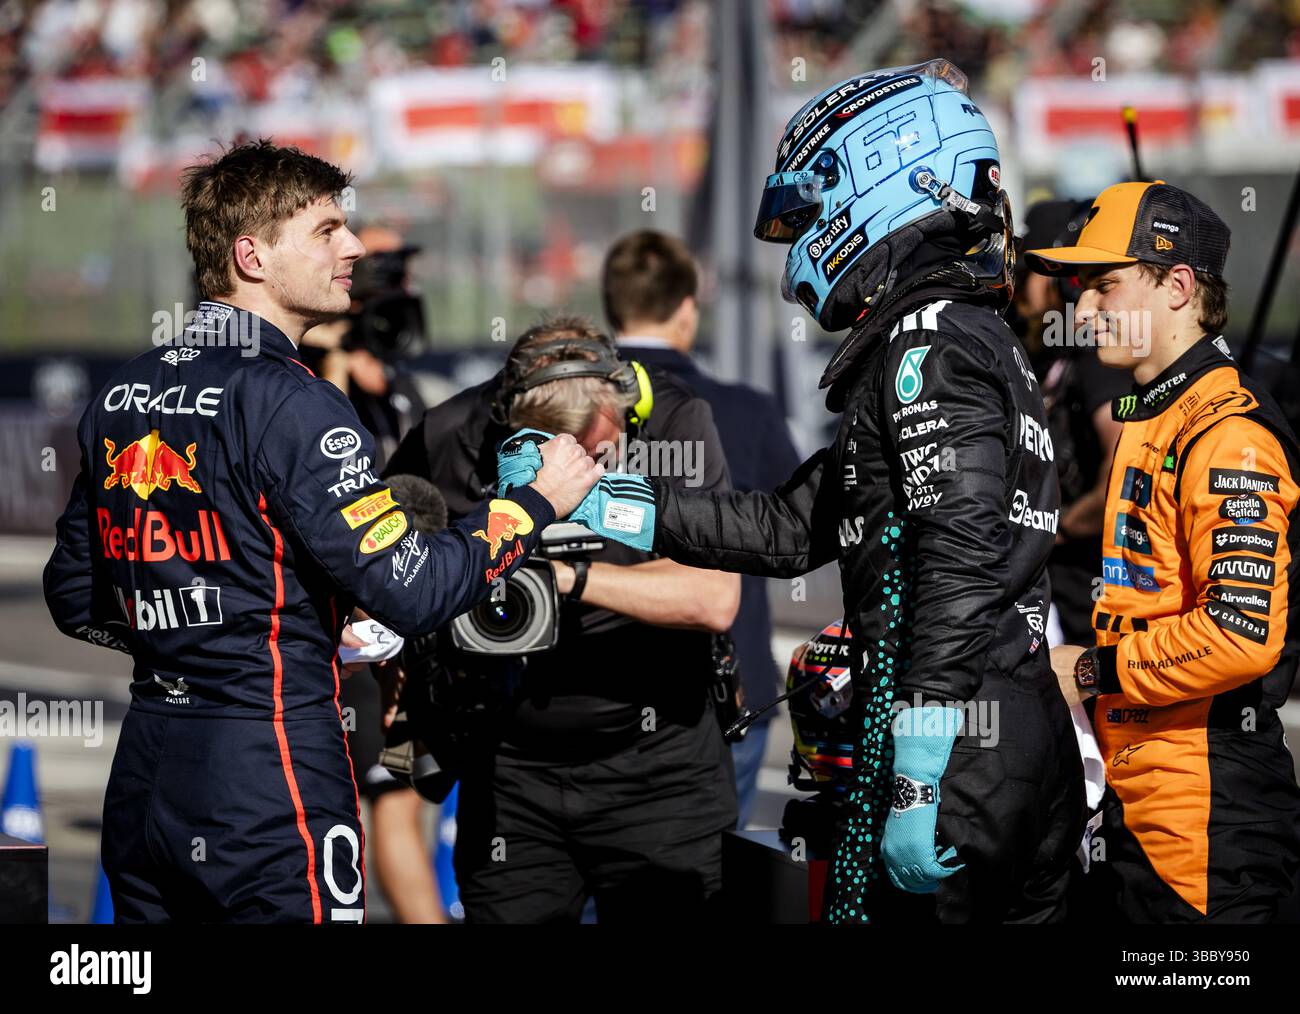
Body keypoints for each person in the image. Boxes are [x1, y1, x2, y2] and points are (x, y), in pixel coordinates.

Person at [515, 60, 1086, 923]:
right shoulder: (965, 338)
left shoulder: (929, 344)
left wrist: (920, 768)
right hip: (997, 721)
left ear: (892, 180)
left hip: (965, 740)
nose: (795, 263)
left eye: (814, 213)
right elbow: (791, 524)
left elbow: (960, 558)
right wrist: (605, 501)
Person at [41, 140, 601, 923]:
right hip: (266, 771)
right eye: (328, 230)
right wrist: (535, 505)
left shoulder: (125, 390)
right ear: (252, 256)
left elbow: (74, 595)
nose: (355, 249)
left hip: (148, 773)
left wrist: (226, 629)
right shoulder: (293, 400)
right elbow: (414, 591)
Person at [383, 316, 741, 923]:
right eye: (558, 465)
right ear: (511, 429)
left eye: (599, 454)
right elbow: (376, 565)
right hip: (509, 773)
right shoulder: (451, 434)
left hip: (660, 767)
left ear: (626, 408)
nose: (586, 472)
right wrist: (394, 659)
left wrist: (566, 581)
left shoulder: (675, 424)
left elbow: (713, 597)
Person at [1029, 180, 1300, 923]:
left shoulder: (1228, 435)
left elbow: (1239, 635)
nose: (1082, 313)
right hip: (1139, 814)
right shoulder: (1154, 417)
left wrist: (1087, 667)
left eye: (1105, 286)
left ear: (1179, 285)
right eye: (1079, 291)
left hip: (1209, 834)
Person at [601, 229, 802, 829]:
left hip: (601, 684)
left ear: (612, 308)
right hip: (727, 684)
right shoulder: (748, 411)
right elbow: (798, 535)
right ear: (688, 309)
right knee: (711, 874)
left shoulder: (574, 412)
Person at [1012, 200, 1128, 645]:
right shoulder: (1039, 357)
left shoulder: (1097, 358)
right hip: (1055, 594)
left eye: (1032, 270)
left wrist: (1048, 530)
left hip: (1090, 603)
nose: (1018, 284)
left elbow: (1122, 476)